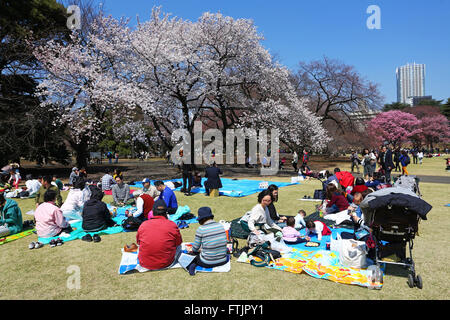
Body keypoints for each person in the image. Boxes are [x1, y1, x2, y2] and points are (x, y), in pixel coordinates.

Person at [136, 199, 182, 270]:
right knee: (179, 246)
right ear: (166, 213)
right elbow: (178, 243)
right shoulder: (172, 225)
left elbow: (138, 242)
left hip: (145, 263)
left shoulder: (143, 225)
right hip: (166, 263)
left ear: (153, 211)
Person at [186, 207, 229, 275]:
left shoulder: (201, 229)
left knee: (193, 256)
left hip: (207, 262)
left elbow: (195, 248)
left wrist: (191, 249)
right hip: (223, 260)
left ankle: (192, 265)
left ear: (202, 219)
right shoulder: (220, 226)